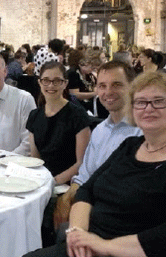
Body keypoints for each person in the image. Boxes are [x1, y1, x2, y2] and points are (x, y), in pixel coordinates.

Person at [25, 71, 166, 257]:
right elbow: (87, 191)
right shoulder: (130, 146)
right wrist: (78, 233)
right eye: (140, 102)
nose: (148, 108)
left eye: (159, 101)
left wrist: (105, 246)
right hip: (90, 244)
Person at [53, 61, 142, 230]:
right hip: (90, 205)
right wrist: (66, 198)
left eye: (116, 85)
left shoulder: (142, 132)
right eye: (102, 86)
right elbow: (85, 175)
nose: (108, 92)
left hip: (117, 219)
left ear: (132, 87)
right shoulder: (100, 130)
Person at [26, 62, 91, 185]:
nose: (51, 85)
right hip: (42, 181)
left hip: (68, 183)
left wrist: (53, 182)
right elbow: (36, 159)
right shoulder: (34, 115)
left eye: (57, 81)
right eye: (46, 80)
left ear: (65, 83)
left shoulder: (77, 115)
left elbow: (81, 163)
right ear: (39, 82)